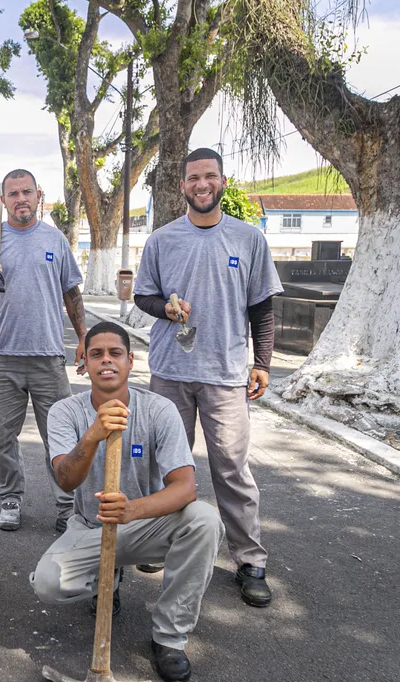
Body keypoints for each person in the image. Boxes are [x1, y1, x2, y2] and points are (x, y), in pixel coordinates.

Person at [30, 322, 224, 682]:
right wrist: (93, 435)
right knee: (48, 584)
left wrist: (133, 510)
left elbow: (185, 489)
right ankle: (108, 579)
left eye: (115, 353)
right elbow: (66, 479)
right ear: (83, 362)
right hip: (90, 526)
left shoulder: (159, 410)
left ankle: (169, 638)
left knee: (204, 520)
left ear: (131, 361)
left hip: (145, 525)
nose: (106, 361)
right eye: (96, 354)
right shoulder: (64, 412)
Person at [133, 147, 283, 608]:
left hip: (225, 373)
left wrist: (263, 362)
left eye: (209, 176)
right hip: (171, 370)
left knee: (231, 468)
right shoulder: (161, 240)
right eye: (193, 177)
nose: (202, 184)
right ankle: (161, 542)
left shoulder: (248, 238)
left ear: (222, 181)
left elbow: (262, 305)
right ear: (182, 185)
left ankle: (249, 559)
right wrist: (166, 308)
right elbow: (143, 296)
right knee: (167, 465)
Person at [0, 169, 87, 533]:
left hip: (48, 356)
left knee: (62, 437)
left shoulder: (55, 240)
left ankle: (67, 505)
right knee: (3, 438)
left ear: (39, 196)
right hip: (3, 357)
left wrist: (85, 338)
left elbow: (72, 293)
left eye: (27, 192)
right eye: (13, 193)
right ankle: (10, 498)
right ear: (2, 200)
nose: (20, 199)